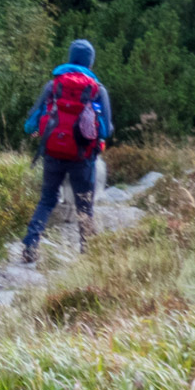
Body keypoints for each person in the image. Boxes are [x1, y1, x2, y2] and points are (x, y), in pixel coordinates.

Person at [20, 39, 113, 263]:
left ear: (70, 58)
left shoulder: (53, 86)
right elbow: (106, 130)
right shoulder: (97, 90)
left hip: (53, 152)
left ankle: (30, 246)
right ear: (90, 63)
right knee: (84, 205)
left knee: (47, 200)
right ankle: (87, 255)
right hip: (82, 157)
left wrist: (37, 129)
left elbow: (30, 122)